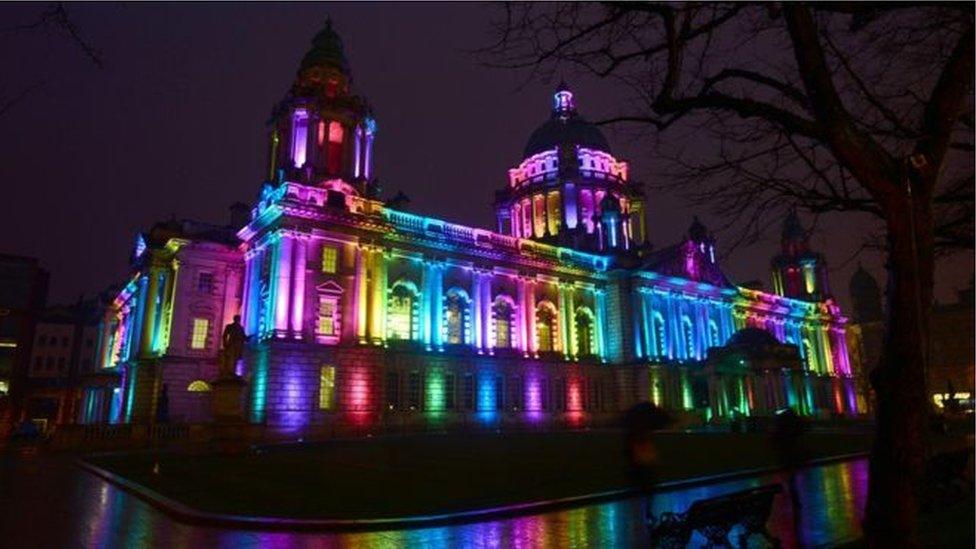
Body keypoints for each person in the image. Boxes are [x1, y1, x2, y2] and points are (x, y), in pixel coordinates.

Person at [623, 402, 671, 523]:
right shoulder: (641, 435)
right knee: (646, 492)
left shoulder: (637, 435)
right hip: (644, 466)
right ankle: (644, 513)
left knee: (644, 493)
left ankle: (642, 514)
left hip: (644, 466)